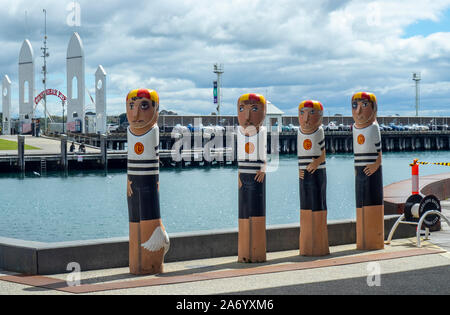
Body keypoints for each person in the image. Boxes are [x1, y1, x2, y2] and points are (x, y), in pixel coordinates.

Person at [126, 88, 169, 275]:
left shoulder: (153, 131)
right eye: (131, 106)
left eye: (143, 106)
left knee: (148, 223)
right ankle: (136, 263)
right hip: (132, 184)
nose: (135, 114)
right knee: (134, 222)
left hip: (149, 185)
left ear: (156, 110)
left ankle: (151, 260)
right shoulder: (130, 131)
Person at [237, 93, 267, 263]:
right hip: (244, 176)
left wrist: (263, 169)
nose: (247, 116)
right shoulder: (240, 132)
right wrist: (239, 175)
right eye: (242, 109)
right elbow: (241, 156)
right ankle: (244, 251)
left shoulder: (261, 132)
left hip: (256, 177)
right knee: (243, 211)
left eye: (254, 109)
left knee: (255, 211)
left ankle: (255, 250)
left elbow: (264, 155)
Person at [351, 92, 384, 250]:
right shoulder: (355, 128)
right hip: (359, 170)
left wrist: (376, 165)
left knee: (371, 202)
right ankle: (362, 238)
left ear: (374, 108)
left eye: (364, 105)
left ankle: (373, 240)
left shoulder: (374, 127)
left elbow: (379, 154)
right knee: (360, 203)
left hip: (372, 171)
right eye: (354, 106)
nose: (358, 111)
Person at [297, 100, 329, 256]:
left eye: (311, 113)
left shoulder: (319, 131)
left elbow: (322, 153)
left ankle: (318, 244)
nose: (306, 118)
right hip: (303, 172)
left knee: (317, 203)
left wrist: (316, 162)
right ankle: (306, 242)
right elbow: (299, 154)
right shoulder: (299, 132)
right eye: (302, 113)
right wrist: (299, 169)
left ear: (320, 116)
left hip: (317, 172)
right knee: (304, 204)